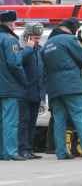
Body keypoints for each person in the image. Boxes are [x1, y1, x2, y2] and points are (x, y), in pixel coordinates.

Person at [41, 18, 82, 160]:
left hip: (54, 88)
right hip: (71, 85)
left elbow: (43, 67)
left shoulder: (47, 44)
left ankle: (61, 152)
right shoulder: (70, 39)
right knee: (79, 117)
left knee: (59, 119)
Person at [0, 10, 34, 161]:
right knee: (10, 121)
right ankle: (11, 152)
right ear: (11, 23)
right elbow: (14, 64)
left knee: (2, 121)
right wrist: (24, 81)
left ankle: (2, 152)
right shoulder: (9, 40)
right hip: (9, 87)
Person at [18, 22, 45, 159]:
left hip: (36, 92)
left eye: (38, 38)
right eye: (35, 38)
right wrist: (28, 48)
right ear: (27, 37)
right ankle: (22, 149)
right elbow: (17, 62)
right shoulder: (22, 49)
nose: (37, 40)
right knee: (24, 121)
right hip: (24, 93)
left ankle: (29, 148)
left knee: (32, 122)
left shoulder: (39, 50)